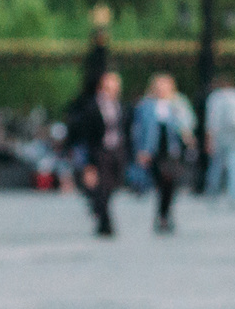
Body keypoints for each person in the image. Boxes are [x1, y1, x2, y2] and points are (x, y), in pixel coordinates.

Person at [132, 72, 199, 235]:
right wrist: (140, 150)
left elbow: (189, 123)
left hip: (172, 149)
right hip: (154, 150)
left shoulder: (179, 103)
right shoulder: (146, 105)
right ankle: (162, 214)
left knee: (170, 183)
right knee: (160, 183)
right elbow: (138, 129)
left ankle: (165, 214)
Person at [65, 71, 128, 238]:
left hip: (117, 152)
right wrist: (87, 163)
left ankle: (100, 211)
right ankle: (105, 221)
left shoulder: (121, 106)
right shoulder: (91, 107)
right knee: (102, 187)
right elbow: (83, 135)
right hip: (98, 153)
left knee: (112, 186)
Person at [204, 74, 235, 205]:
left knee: (216, 165)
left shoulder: (215, 98)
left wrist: (209, 139)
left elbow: (211, 121)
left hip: (220, 136)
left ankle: (212, 191)